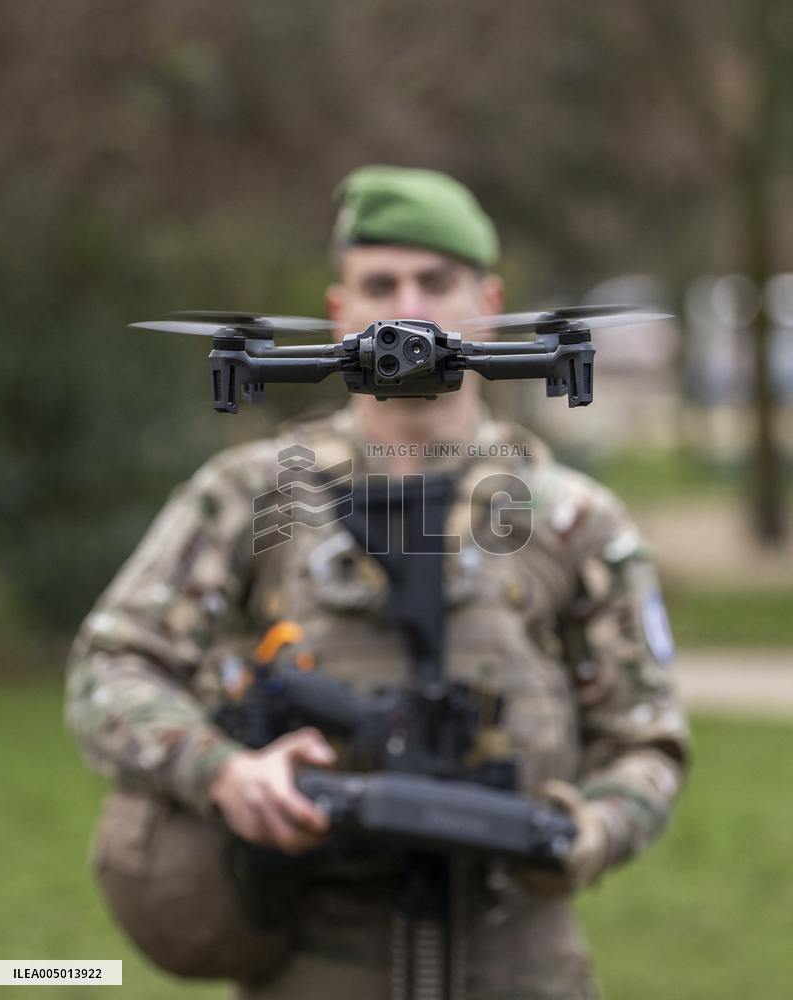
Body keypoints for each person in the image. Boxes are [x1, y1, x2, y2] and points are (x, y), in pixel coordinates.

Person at [65, 165, 690, 1000]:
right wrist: (223, 772)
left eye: (435, 281)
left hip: (516, 964)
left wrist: (581, 832)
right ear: (338, 310)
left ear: (487, 299)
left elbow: (646, 739)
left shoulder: (575, 520)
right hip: (312, 963)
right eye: (381, 283)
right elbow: (109, 668)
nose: (408, 305)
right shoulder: (252, 494)